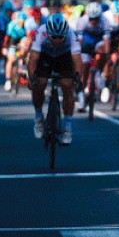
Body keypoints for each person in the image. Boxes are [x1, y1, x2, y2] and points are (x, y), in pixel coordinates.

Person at [27, 13, 82, 145]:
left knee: (67, 85)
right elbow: (33, 59)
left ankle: (67, 129)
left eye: (60, 37)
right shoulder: (41, 32)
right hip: (45, 56)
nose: (57, 40)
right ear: (48, 33)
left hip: (64, 57)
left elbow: (77, 60)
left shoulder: (71, 34)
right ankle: (38, 118)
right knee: (40, 82)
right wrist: (31, 79)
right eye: (54, 37)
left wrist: (78, 79)